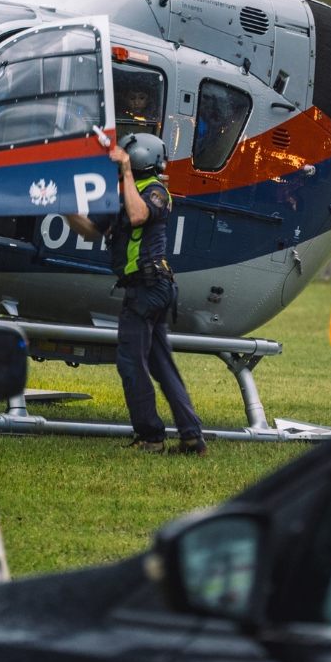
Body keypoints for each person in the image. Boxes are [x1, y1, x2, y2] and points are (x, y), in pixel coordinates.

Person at [67, 132, 206, 455]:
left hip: (150, 287)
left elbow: (139, 215)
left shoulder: (157, 191)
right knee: (161, 365)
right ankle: (191, 436)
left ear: (139, 157)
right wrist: (65, 209)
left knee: (130, 362)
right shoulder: (121, 194)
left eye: (124, 158)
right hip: (146, 288)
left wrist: (127, 172)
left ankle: (151, 436)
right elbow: (91, 229)